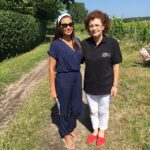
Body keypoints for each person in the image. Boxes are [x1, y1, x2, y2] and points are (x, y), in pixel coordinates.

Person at [82, 10, 122, 147]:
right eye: (91, 25)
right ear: (88, 28)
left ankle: (102, 131)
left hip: (106, 85)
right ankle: (94, 130)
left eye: (97, 25)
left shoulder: (112, 43)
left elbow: (116, 65)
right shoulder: (85, 44)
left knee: (103, 110)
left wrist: (115, 85)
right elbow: (77, 60)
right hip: (90, 86)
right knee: (93, 110)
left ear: (103, 26)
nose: (94, 28)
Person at [47, 13, 83, 149]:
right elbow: (51, 69)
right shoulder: (56, 45)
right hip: (63, 79)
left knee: (77, 108)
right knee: (65, 108)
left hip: (77, 78)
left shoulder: (77, 42)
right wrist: (52, 89)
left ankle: (70, 127)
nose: (68, 27)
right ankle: (65, 133)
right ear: (60, 27)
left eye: (70, 24)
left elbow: (84, 59)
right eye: (65, 25)